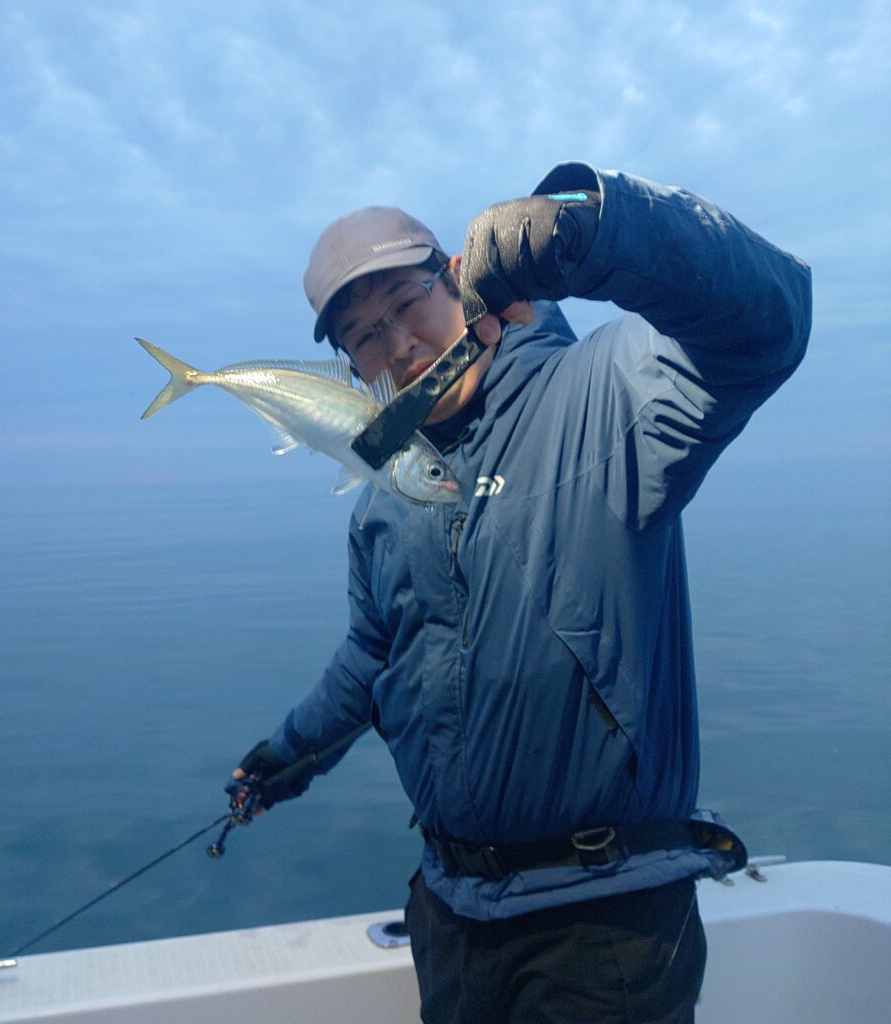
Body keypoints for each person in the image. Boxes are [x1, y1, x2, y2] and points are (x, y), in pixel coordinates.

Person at [229, 161, 812, 1023]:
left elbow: (769, 322)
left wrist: (595, 229)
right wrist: (284, 759)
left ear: (457, 280)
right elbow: (374, 657)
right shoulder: (387, 495)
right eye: (363, 336)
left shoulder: (606, 391)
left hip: (604, 925)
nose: (398, 345)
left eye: (406, 303)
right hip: (452, 914)